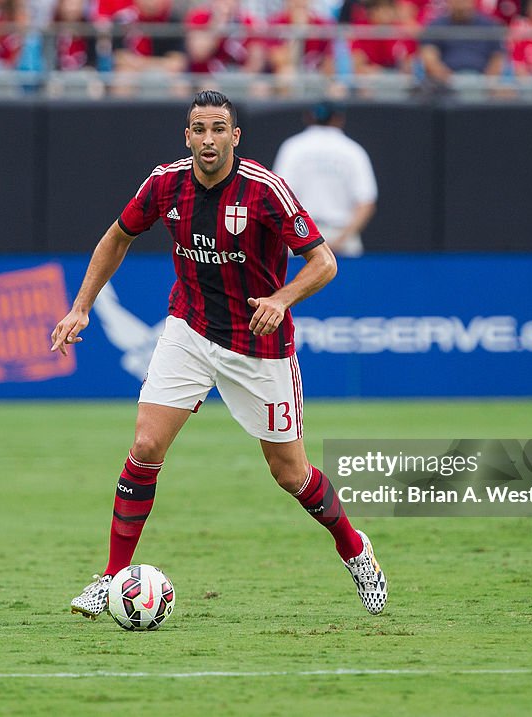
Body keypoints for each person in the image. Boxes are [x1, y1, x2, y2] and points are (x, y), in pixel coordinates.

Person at [51, 90, 386, 619]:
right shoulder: (165, 183)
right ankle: (112, 577)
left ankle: (353, 547)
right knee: (145, 445)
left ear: (235, 136)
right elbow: (116, 237)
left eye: (218, 129)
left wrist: (281, 298)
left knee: (290, 472)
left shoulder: (265, 190)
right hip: (189, 330)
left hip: (257, 344)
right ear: (188, 136)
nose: (209, 139)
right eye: (199, 129)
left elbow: (324, 263)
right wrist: (80, 307)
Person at [272, 101, 377, 258]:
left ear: (309, 118)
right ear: (339, 119)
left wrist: (301, 237)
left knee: (297, 283)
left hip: (301, 232)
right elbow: (366, 202)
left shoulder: (293, 147)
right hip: (341, 234)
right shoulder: (352, 150)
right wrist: (342, 239)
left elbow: (278, 196)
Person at [419, 0, 506, 93]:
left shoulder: (489, 25)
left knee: (506, 94)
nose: (461, 5)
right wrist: (449, 80)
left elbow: (497, 57)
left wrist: (487, 83)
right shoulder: (435, 26)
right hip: (444, 85)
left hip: (482, 81)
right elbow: (429, 57)